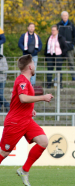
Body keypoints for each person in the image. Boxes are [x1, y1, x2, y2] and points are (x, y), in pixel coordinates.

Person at [0, 54, 53, 186]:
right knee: (3, 152)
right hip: (15, 122)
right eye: (34, 64)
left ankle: (24, 170)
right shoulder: (22, 80)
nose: (35, 67)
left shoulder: (25, 81)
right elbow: (23, 98)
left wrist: (30, 110)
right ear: (30, 66)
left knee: (43, 141)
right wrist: (43, 97)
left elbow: (21, 101)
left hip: (26, 120)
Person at [57, 11, 75, 81]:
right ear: (61, 17)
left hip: (69, 47)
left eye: (66, 16)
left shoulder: (71, 25)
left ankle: (73, 77)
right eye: (63, 16)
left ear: (68, 17)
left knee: (71, 62)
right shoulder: (58, 25)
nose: (65, 17)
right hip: (60, 48)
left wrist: (72, 44)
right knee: (59, 63)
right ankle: (57, 77)